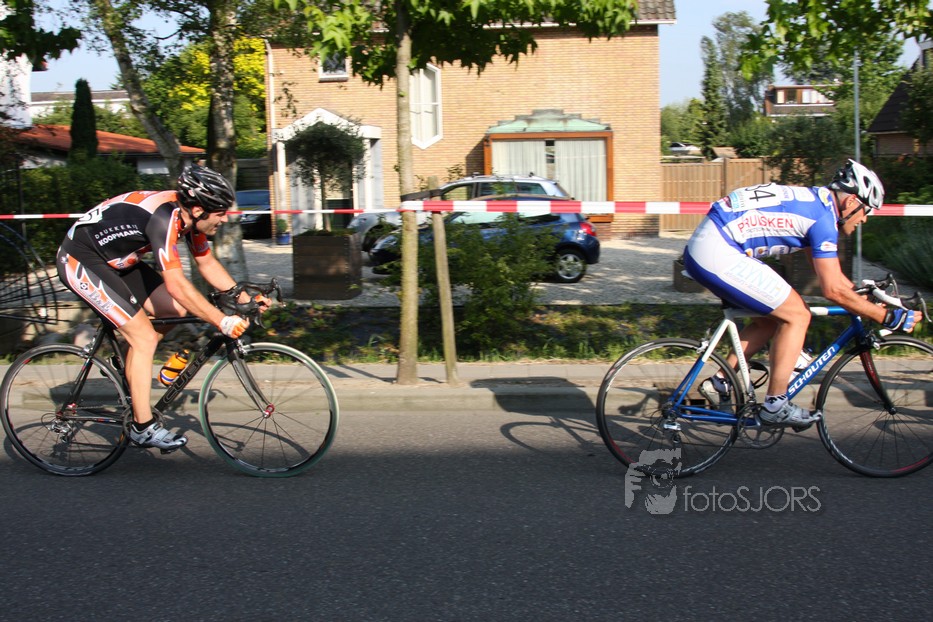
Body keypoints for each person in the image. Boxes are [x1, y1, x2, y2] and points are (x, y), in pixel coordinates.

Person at [682, 159, 922, 427]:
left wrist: (861, 297)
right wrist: (885, 317)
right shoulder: (823, 219)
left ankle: (721, 382)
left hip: (711, 247)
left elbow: (831, 277)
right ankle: (775, 405)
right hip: (719, 251)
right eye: (866, 211)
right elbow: (833, 290)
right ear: (852, 202)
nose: (865, 218)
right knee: (797, 315)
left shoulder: (817, 203)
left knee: (770, 321)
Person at [57, 164, 267, 450]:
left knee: (175, 311)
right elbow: (177, 284)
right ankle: (142, 428)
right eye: (220, 213)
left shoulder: (190, 218)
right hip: (81, 260)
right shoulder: (164, 219)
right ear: (199, 210)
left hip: (119, 261)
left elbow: (206, 262)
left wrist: (244, 298)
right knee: (143, 336)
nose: (224, 219)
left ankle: (132, 368)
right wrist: (222, 320)